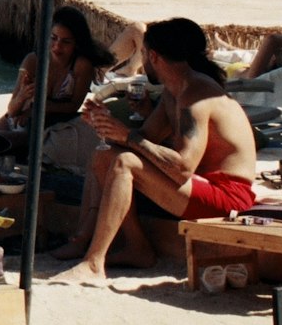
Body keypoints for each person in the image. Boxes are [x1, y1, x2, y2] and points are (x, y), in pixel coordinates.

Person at [51, 17, 258, 282]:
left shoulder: (196, 93)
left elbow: (183, 167)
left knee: (125, 162)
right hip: (199, 186)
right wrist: (103, 124)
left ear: (154, 56)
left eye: (142, 54)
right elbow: (144, 139)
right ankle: (125, 246)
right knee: (105, 155)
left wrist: (127, 137)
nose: (141, 61)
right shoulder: (174, 91)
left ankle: (94, 263)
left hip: (227, 195)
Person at [0, 8, 109, 132]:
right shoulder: (33, 61)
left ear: (77, 43)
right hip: (18, 121)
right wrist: (23, 96)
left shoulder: (81, 65)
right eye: (53, 38)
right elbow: (12, 111)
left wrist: (36, 109)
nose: (57, 46)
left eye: (66, 42)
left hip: (52, 127)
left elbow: (74, 106)